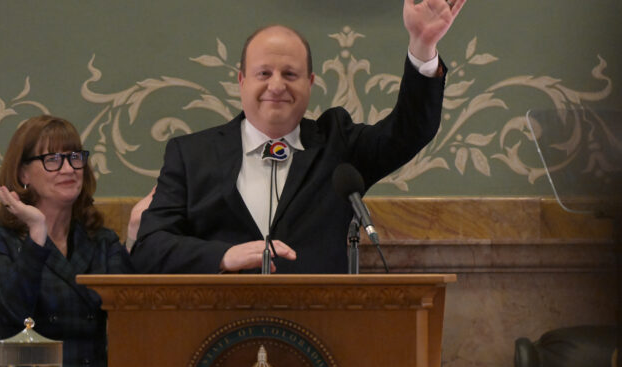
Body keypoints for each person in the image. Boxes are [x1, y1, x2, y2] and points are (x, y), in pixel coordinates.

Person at [131, 0, 467, 274]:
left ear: (310, 83)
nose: (276, 85)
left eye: (290, 74)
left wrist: (423, 46)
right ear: (241, 81)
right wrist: (224, 256)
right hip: (216, 336)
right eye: (264, 73)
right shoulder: (191, 155)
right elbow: (149, 246)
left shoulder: (339, 144)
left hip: (318, 335)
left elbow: (409, 131)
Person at [0, 115, 134, 367]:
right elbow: (13, 318)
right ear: (22, 173)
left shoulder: (101, 241)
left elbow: (131, 318)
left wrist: (138, 237)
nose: (68, 168)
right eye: (52, 159)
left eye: (75, 157)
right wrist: (37, 234)